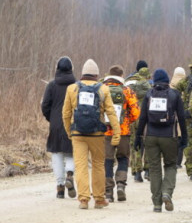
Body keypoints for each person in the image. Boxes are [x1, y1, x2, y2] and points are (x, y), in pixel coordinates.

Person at [62, 59, 121, 210]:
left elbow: (66, 113)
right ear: (96, 75)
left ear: (82, 74)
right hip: (97, 134)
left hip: (78, 133)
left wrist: (69, 131)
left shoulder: (72, 88)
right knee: (98, 165)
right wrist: (116, 132)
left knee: (81, 165)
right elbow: (111, 112)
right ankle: (99, 199)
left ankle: (83, 199)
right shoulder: (103, 89)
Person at [134, 69, 188, 212]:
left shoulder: (149, 94)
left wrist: (138, 137)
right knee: (170, 165)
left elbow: (142, 118)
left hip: (150, 136)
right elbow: (182, 118)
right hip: (169, 136)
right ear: (167, 80)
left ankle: (157, 204)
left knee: (154, 169)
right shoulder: (174, 94)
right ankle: (167, 192)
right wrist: (184, 137)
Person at [102, 65, 140, 203]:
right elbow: (136, 112)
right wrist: (127, 121)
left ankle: (108, 192)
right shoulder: (127, 91)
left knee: (107, 160)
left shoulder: (102, 89)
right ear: (121, 76)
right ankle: (120, 185)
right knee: (123, 158)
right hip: (123, 131)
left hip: (106, 131)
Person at [41, 56, 76, 199]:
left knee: (57, 154)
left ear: (57, 68)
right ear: (71, 69)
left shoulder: (52, 85)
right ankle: (70, 175)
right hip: (72, 123)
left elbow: (45, 105)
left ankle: (60, 187)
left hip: (55, 124)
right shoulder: (76, 85)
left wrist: (52, 118)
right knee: (71, 153)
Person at [125, 64, 152, 183]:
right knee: (148, 143)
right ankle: (147, 170)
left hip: (132, 118)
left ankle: (137, 172)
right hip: (145, 118)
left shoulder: (129, 82)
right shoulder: (147, 85)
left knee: (134, 144)